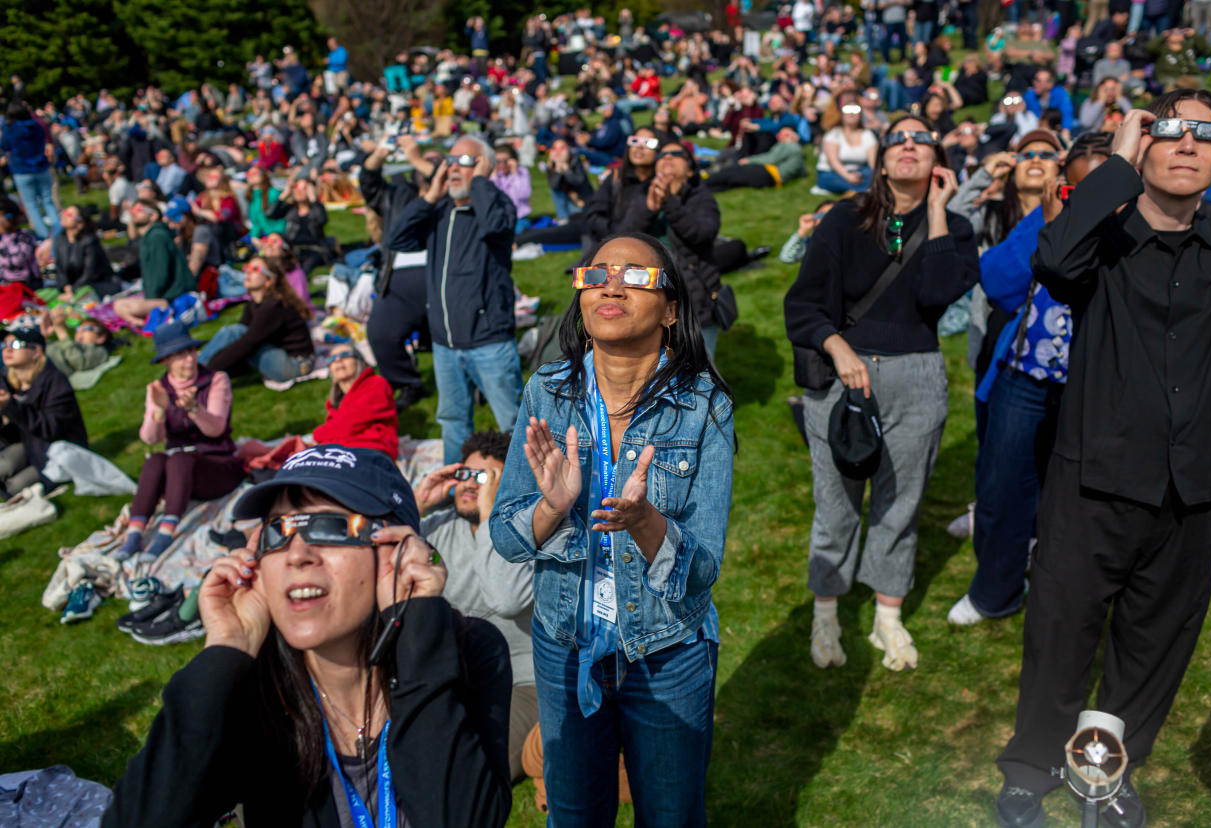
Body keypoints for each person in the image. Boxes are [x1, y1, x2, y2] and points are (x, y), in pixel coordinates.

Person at [994, 90, 1211, 828]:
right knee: (1061, 635)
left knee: (1155, 644)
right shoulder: (1101, 241)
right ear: (1143, 146)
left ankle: (1104, 769)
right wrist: (1121, 159)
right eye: (1170, 131)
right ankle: (1031, 766)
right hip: (1094, 476)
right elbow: (1052, 258)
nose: (1189, 145)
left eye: (1207, 134)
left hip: (1191, 485)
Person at [100, 443, 513, 827]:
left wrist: (416, 631)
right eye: (278, 531)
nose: (297, 554)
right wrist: (226, 649)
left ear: (399, 550)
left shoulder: (468, 650)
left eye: (331, 527)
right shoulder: (252, 683)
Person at [491, 232, 735, 827]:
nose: (611, 285)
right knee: (575, 815)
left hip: (668, 650)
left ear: (672, 310)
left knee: (671, 816)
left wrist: (646, 523)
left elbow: (700, 573)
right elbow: (505, 535)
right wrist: (552, 508)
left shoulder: (704, 405)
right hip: (564, 645)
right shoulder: (547, 390)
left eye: (635, 276)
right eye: (596, 274)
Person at [783, 116, 979, 672]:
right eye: (898, 139)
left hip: (916, 375)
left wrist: (938, 212)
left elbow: (938, 296)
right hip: (842, 378)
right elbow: (803, 306)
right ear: (882, 158)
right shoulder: (845, 219)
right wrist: (839, 349)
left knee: (901, 502)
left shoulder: (956, 230)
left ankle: (886, 617)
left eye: (921, 139)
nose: (909, 146)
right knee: (836, 505)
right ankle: (826, 613)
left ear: (938, 159)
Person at [948, 132, 1113, 629]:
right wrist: (1046, 221)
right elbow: (996, 281)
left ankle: (1062, 593)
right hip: (1024, 371)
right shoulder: (1045, 217)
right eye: (1075, 188)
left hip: (1095, 381)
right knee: (1002, 487)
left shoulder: (1134, 228)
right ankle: (995, 591)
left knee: (1078, 497)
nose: (1087, 200)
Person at [387, 135, 523, 466]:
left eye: (465, 161)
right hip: (445, 344)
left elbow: (494, 225)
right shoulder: (440, 210)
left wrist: (480, 181)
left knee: (513, 423)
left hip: (488, 340)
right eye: (451, 160)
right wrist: (430, 197)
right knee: (452, 423)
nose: (453, 168)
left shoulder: (497, 205)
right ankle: (453, 485)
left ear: (484, 167)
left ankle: (526, 486)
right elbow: (398, 239)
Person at [416, 430, 535, 783]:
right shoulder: (438, 527)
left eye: (484, 477)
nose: (470, 485)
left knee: (474, 774)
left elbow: (505, 598)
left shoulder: (525, 533)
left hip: (524, 683)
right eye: (465, 474)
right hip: (454, 675)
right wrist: (416, 504)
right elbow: (376, 563)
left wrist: (489, 520)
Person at [111, 323, 245, 564]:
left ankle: (166, 533)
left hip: (217, 466)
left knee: (180, 459)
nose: (189, 360)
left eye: (191, 352)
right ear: (166, 362)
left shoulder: (216, 380)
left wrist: (194, 409)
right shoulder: (158, 390)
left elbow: (216, 429)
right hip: (179, 476)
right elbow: (150, 439)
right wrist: (160, 411)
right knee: (155, 460)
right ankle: (134, 534)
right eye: (180, 355)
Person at [359, 134, 436, 411]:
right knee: (380, 332)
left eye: (435, 164)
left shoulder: (452, 196)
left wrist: (417, 158)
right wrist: (381, 151)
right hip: (397, 278)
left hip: (442, 278)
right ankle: (407, 383)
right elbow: (368, 182)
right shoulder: (398, 194)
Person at [0, 327, 89, 497]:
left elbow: (50, 428)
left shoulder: (55, 381)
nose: (8, 349)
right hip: (27, 446)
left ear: (36, 352)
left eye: (16, 344)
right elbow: (11, 434)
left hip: (55, 451)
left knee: (13, 487)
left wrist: (10, 407)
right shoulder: (5, 381)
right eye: (5, 344)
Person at [198, 257, 314, 382]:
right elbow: (240, 340)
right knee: (235, 334)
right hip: (280, 357)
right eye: (247, 268)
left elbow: (247, 342)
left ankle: (198, 373)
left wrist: (210, 370)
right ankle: (198, 370)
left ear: (269, 280)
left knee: (235, 333)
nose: (247, 272)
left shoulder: (274, 306)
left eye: (255, 269)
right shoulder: (254, 304)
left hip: (296, 364)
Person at [112, 200, 198, 329]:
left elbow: (160, 274)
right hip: (165, 294)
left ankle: (145, 322)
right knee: (119, 305)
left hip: (173, 296)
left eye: (140, 210)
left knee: (120, 306)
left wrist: (150, 299)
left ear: (153, 216)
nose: (134, 213)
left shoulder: (157, 236)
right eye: (133, 210)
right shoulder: (150, 236)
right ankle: (145, 320)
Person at [308, 343, 400, 459]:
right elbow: (336, 430)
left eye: (345, 355)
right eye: (332, 358)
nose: (338, 360)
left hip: (371, 451)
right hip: (342, 452)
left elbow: (348, 424)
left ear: (360, 362)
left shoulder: (376, 384)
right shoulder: (335, 401)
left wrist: (318, 434)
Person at [0, 100, 60, 240]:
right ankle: (58, 232)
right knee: (48, 201)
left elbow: (4, 145)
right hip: (40, 166)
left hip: (22, 170)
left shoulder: (9, 129)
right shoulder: (36, 125)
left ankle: (43, 236)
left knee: (31, 205)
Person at [811, 95, 878, 195]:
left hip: (858, 172)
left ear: (860, 114)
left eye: (855, 110)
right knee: (832, 180)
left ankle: (859, 189)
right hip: (833, 173)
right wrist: (848, 176)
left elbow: (873, 163)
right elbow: (833, 162)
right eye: (847, 110)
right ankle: (863, 190)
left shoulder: (867, 135)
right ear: (842, 114)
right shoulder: (833, 134)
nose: (851, 113)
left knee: (871, 175)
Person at [705, 126, 807, 191]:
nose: (780, 136)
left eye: (784, 134)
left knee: (730, 174)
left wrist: (748, 161)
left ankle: (702, 184)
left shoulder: (791, 146)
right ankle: (705, 186)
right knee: (731, 178)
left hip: (770, 173)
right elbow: (801, 171)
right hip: (769, 172)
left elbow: (771, 159)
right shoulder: (792, 149)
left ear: (791, 135)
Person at [52, 205, 121, 298]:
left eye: (69, 214)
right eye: (64, 212)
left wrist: (73, 290)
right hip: (74, 286)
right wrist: (65, 287)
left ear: (80, 223)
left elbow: (90, 273)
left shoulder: (90, 241)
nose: (64, 215)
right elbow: (60, 269)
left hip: (98, 284)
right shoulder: (60, 240)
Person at [266, 176, 331, 273]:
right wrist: (285, 193)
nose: (298, 191)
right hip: (293, 249)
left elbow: (322, 219)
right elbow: (270, 214)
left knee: (303, 268)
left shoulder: (316, 208)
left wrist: (313, 197)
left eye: (303, 188)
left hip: (314, 249)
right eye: (296, 187)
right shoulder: (290, 209)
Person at [41, 311, 113, 378]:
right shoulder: (70, 345)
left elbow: (79, 363)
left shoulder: (100, 351)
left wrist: (60, 330)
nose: (80, 332)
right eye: (78, 329)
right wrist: (43, 336)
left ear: (100, 337)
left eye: (87, 328)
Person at [546, 137, 594, 221]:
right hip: (566, 200)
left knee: (577, 219)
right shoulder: (551, 165)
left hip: (581, 199)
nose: (558, 151)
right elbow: (553, 186)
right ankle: (563, 219)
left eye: (562, 148)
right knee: (555, 191)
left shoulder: (575, 160)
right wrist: (557, 169)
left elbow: (579, 182)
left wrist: (566, 169)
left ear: (568, 149)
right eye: (555, 148)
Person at [490, 145, 532, 234]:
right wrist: (494, 177)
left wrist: (515, 174)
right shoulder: (493, 175)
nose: (502, 165)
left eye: (505, 161)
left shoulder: (522, 172)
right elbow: (492, 198)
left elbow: (523, 194)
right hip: (499, 217)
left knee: (518, 234)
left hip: (519, 217)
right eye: (498, 161)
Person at [0, 195, 39, 287]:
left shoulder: (24, 236)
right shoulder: (2, 238)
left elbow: (17, 260)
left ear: (9, 217)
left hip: (26, 286)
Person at [244, 165, 286, 238]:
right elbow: (255, 223)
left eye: (254, 173)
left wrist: (274, 234)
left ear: (263, 175)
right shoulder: (251, 197)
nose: (251, 175)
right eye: (248, 173)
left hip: (277, 233)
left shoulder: (273, 193)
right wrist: (254, 237)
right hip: (262, 234)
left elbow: (281, 217)